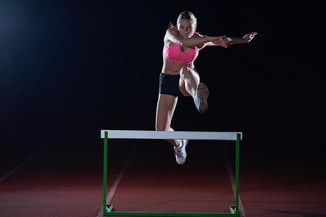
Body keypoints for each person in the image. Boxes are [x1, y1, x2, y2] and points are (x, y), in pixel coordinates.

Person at [155, 11, 257, 165]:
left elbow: (225, 40)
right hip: (168, 80)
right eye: (182, 27)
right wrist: (210, 39)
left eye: (189, 28)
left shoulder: (198, 39)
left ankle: (198, 97)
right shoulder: (170, 34)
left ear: (195, 27)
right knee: (161, 131)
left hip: (187, 79)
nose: (186, 31)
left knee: (185, 70)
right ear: (177, 26)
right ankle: (180, 143)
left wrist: (242, 40)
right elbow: (182, 42)